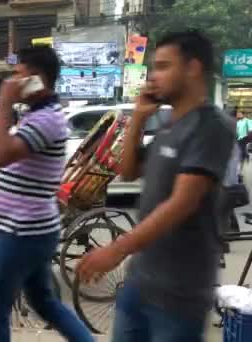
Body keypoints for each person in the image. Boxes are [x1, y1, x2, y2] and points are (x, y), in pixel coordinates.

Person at [77, 31, 235, 342]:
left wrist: (116, 250)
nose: (154, 77)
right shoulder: (169, 125)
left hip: (179, 295)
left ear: (192, 68)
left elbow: (182, 203)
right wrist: (137, 119)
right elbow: (127, 173)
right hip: (140, 283)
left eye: (163, 66)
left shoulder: (211, 127)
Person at [0, 46, 93, 342]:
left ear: (37, 78)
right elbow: (20, 166)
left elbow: (2, 155)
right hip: (30, 227)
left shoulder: (47, 120)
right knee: (44, 302)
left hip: (22, 230)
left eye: (18, 75)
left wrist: (4, 104)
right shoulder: (38, 114)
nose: (12, 82)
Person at [236, 110, 251, 178]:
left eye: (239, 114)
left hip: (244, 138)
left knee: (241, 154)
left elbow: (251, 130)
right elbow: (236, 130)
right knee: (239, 154)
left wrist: (249, 138)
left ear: (243, 115)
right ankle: (246, 155)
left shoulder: (248, 121)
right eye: (238, 114)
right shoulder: (238, 122)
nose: (238, 115)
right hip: (238, 139)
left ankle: (239, 173)